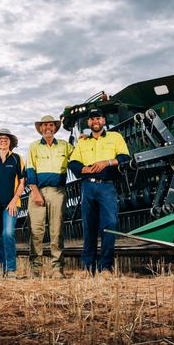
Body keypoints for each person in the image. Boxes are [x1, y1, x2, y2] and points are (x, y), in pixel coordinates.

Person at [68, 108, 130, 277]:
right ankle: (88, 268)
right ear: (89, 123)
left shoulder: (115, 137)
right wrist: (84, 169)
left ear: (104, 121)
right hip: (88, 187)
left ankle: (106, 268)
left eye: (99, 118)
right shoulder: (83, 142)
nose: (96, 121)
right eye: (92, 119)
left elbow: (125, 158)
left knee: (109, 225)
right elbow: (72, 163)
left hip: (107, 187)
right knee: (89, 227)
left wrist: (107, 162)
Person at [26, 115, 74, 279]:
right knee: (37, 232)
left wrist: (82, 141)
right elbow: (30, 171)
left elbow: (77, 158)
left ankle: (57, 269)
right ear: (40, 128)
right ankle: (36, 269)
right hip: (37, 192)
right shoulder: (34, 147)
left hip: (57, 192)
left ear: (55, 128)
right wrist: (35, 192)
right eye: (45, 125)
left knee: (56, 231)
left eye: (51, 125)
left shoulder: (64, 146)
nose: (48, 128)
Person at [0, 128, 25, 279]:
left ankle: (11, 269)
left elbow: (22, 182)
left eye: (6, 138)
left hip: (11, 204)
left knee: (8, 234)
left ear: (10, 142)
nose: (3, 140)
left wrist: (14, 200)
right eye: (0, 138)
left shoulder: (17, 158)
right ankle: (1, 268)